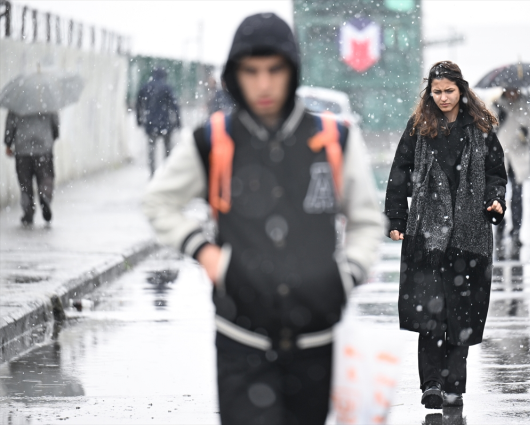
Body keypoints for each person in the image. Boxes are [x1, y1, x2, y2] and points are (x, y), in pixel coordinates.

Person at [142, 13, 382, 425]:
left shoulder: (334, 139)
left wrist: (348, 275)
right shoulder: (214, 140)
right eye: (251, 72)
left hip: (317, 337)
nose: (264, 84)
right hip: (241, 335)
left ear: (292, 70)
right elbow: (159, 201)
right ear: (236, 74)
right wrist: (206, 253)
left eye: (275, 70)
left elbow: (366, 220)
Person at [384, 61, 507, 409]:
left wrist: (495, 200)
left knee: (462, 313)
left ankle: (454, 385)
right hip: (427, 232)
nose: (442, 97)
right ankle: (432, 384)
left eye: (448, 91)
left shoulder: (480, 128)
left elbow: (497, 172)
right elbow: (399, 172)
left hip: (470, 233)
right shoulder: (419, 127)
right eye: (436, 91)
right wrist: (396, 216)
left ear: (461, 90)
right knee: (430, 313)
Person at [493, 87, 530, 255]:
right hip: (500, 158)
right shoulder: (496, 106)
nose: (513, 93)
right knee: (498, 196)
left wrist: (526, 134)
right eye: (509, 90)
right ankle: (500, 225)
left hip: (518, 159)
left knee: (518, 196)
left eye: (515, 90)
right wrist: (498, 122)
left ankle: (516, 231)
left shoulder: (524, 108)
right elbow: (487, 130)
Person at [4, 111, 59, 226]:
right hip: (44, 149)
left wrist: (8, 143)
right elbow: (55, 124)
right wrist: (52, 136)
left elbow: (10, 124)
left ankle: (28, 212)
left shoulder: (17, 101)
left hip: (22, 150)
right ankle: (45, 197)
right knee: (46, 178)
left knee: (25, 184)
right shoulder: (48, 100)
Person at [136, 67, 181, 175]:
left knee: (151, 151)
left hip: (150, 124)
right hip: (165, 124)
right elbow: (175, 106)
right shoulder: (167, 87)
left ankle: (152, 174)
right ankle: (166, 174)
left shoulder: (146, 87)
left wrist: (139, 119)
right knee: (168, 151)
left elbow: (138, 104)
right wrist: (179, 122)